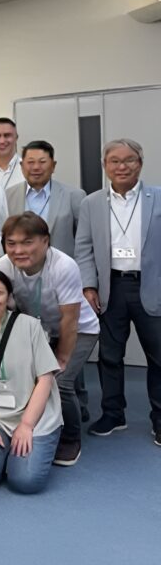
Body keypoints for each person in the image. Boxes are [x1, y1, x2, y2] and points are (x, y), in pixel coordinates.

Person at [0, 213, 99, 465]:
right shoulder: (1, 268)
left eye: (27, 242)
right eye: (11, 243)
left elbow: (70, 319)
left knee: (59, 383)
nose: (18, 250)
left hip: (79, 329)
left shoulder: (64, 266)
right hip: (37, 329)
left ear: (45, 241)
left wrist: (61, 358)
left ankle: (71, 439)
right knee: (34, 381)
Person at [75, 138, 161, 445]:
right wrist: (88, 285)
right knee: (110, 355)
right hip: (110, 287)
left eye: (129, 160)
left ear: (140, 163)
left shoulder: (158, 197)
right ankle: (113, 413)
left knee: (159, 357)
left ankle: (160, 418)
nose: (121, 166)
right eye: (114, 160)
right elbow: (83, 247)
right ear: (105, 165)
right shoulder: (91, 203)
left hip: (152, 286)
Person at [0, 269, 62, 494]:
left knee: (25, 481)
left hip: (36, 418)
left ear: (8, 296)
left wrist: (26, 425)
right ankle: (9, 453)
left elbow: (45, 378)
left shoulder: (29, 326)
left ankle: (39, 445)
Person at [4, 140, 86, 257]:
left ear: (53, 166)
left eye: (42, 162)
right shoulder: (8, 195)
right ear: (22, 167)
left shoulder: (74, 196)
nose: (36, 167)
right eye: (30, 162)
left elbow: (84, 242)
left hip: (62, 269)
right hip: (20, 269)